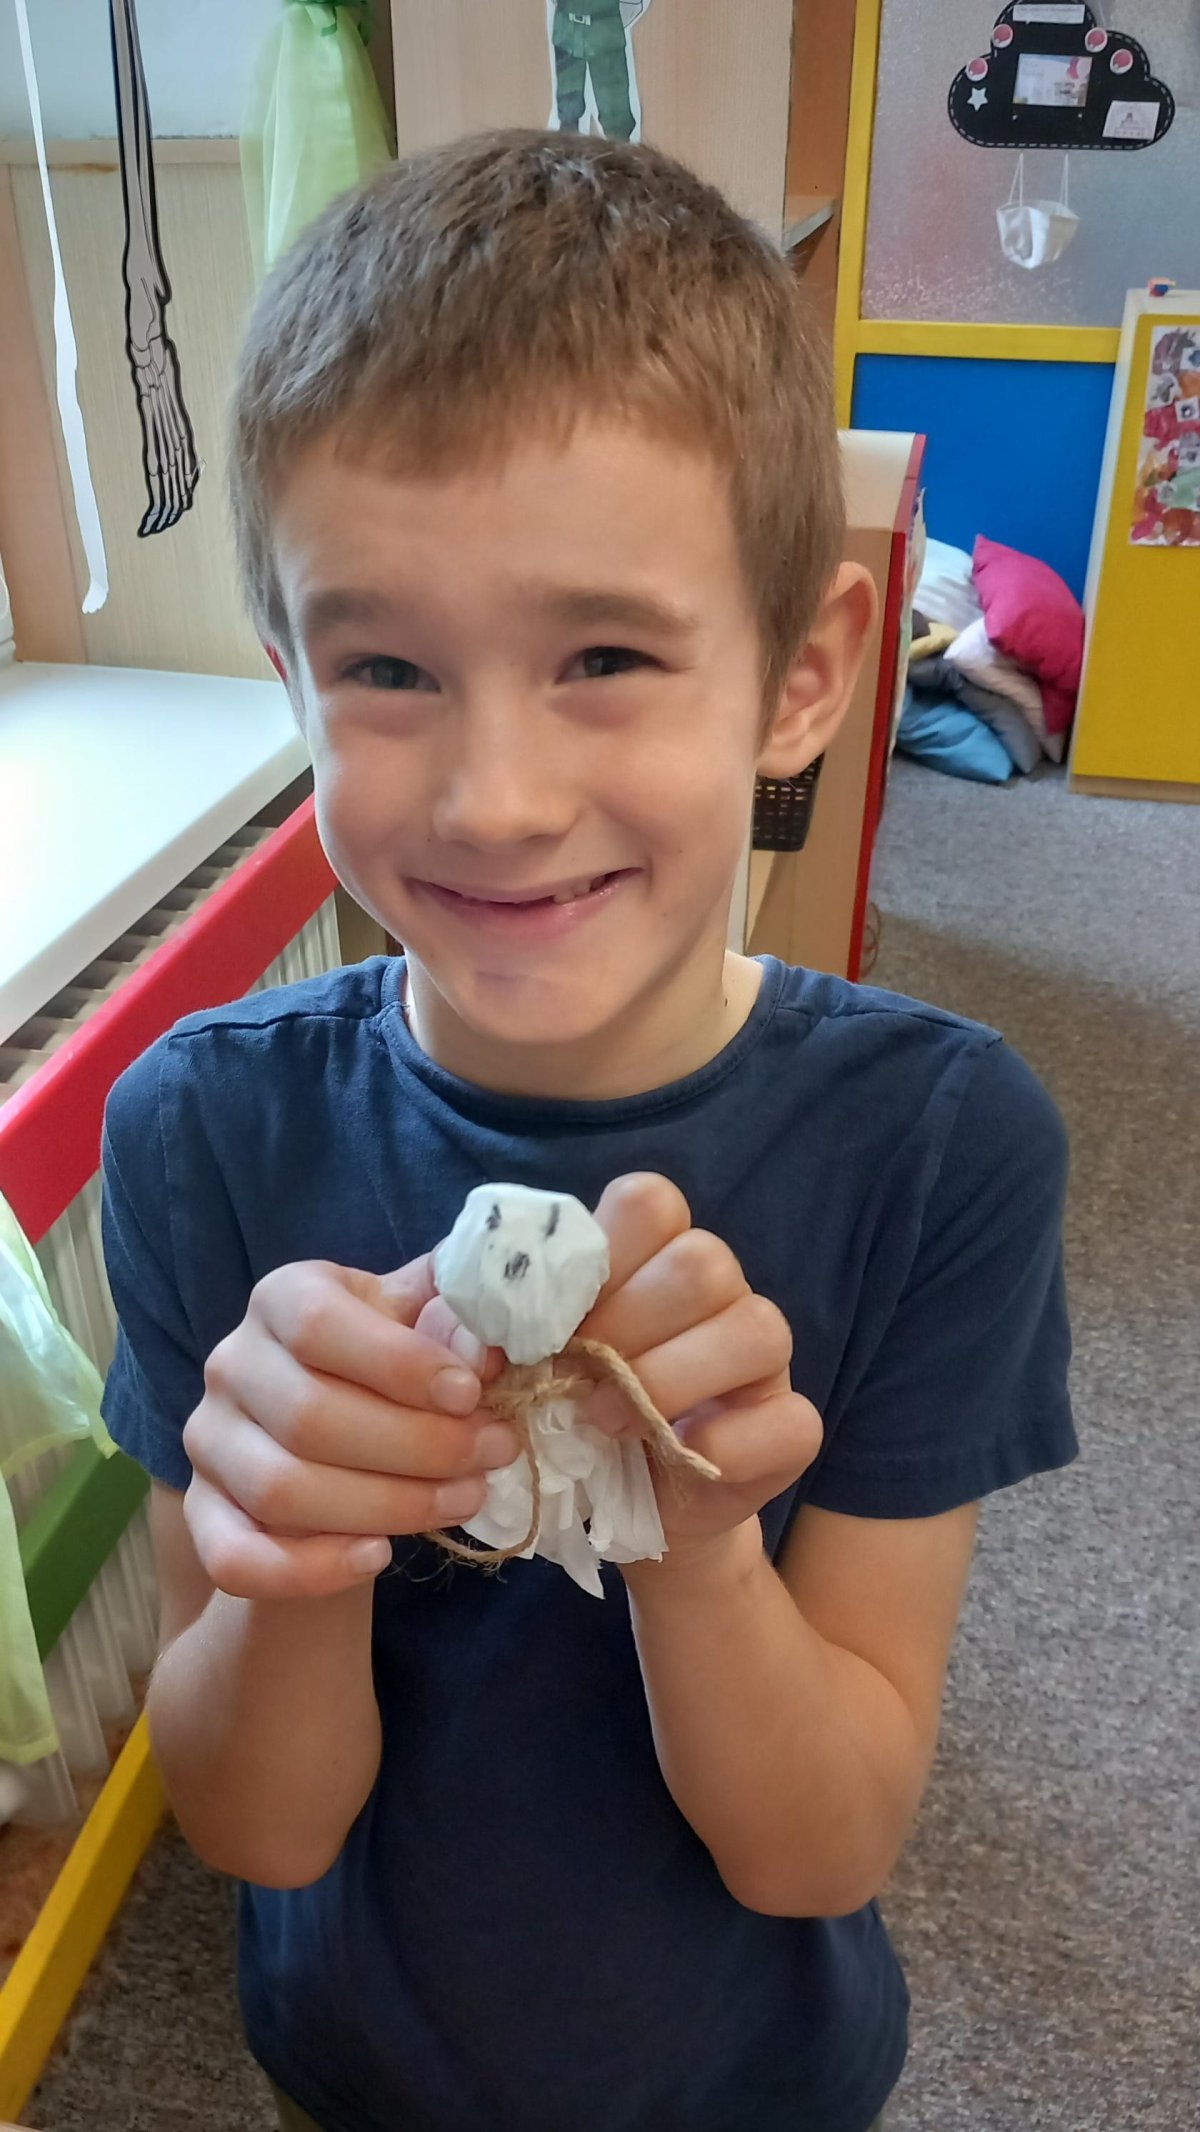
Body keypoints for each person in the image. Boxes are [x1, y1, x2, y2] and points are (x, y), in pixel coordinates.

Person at [99, 130, 1077, 2132]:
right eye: (386, 667)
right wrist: (297, 1549)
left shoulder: (942, 1143)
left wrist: (695, 1540)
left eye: (605, 657)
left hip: (746, 2076)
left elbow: (822, 1848)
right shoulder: (201, 1130)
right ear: (293, 680)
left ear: (802, 676)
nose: (497, 798)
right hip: (356, 2058)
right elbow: (255, 1829)